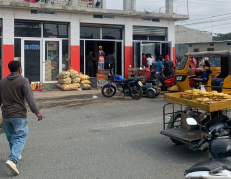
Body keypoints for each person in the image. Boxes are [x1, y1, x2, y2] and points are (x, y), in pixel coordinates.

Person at [1, 61, 42, 175]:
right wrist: (37, 112)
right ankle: (12, 160)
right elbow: (30, 98)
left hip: (6, 115)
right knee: (20, 136)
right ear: (20, 69)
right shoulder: (23, 80)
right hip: (18, 114)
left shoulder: (2, 81)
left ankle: (16, 154)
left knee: (11, 137)